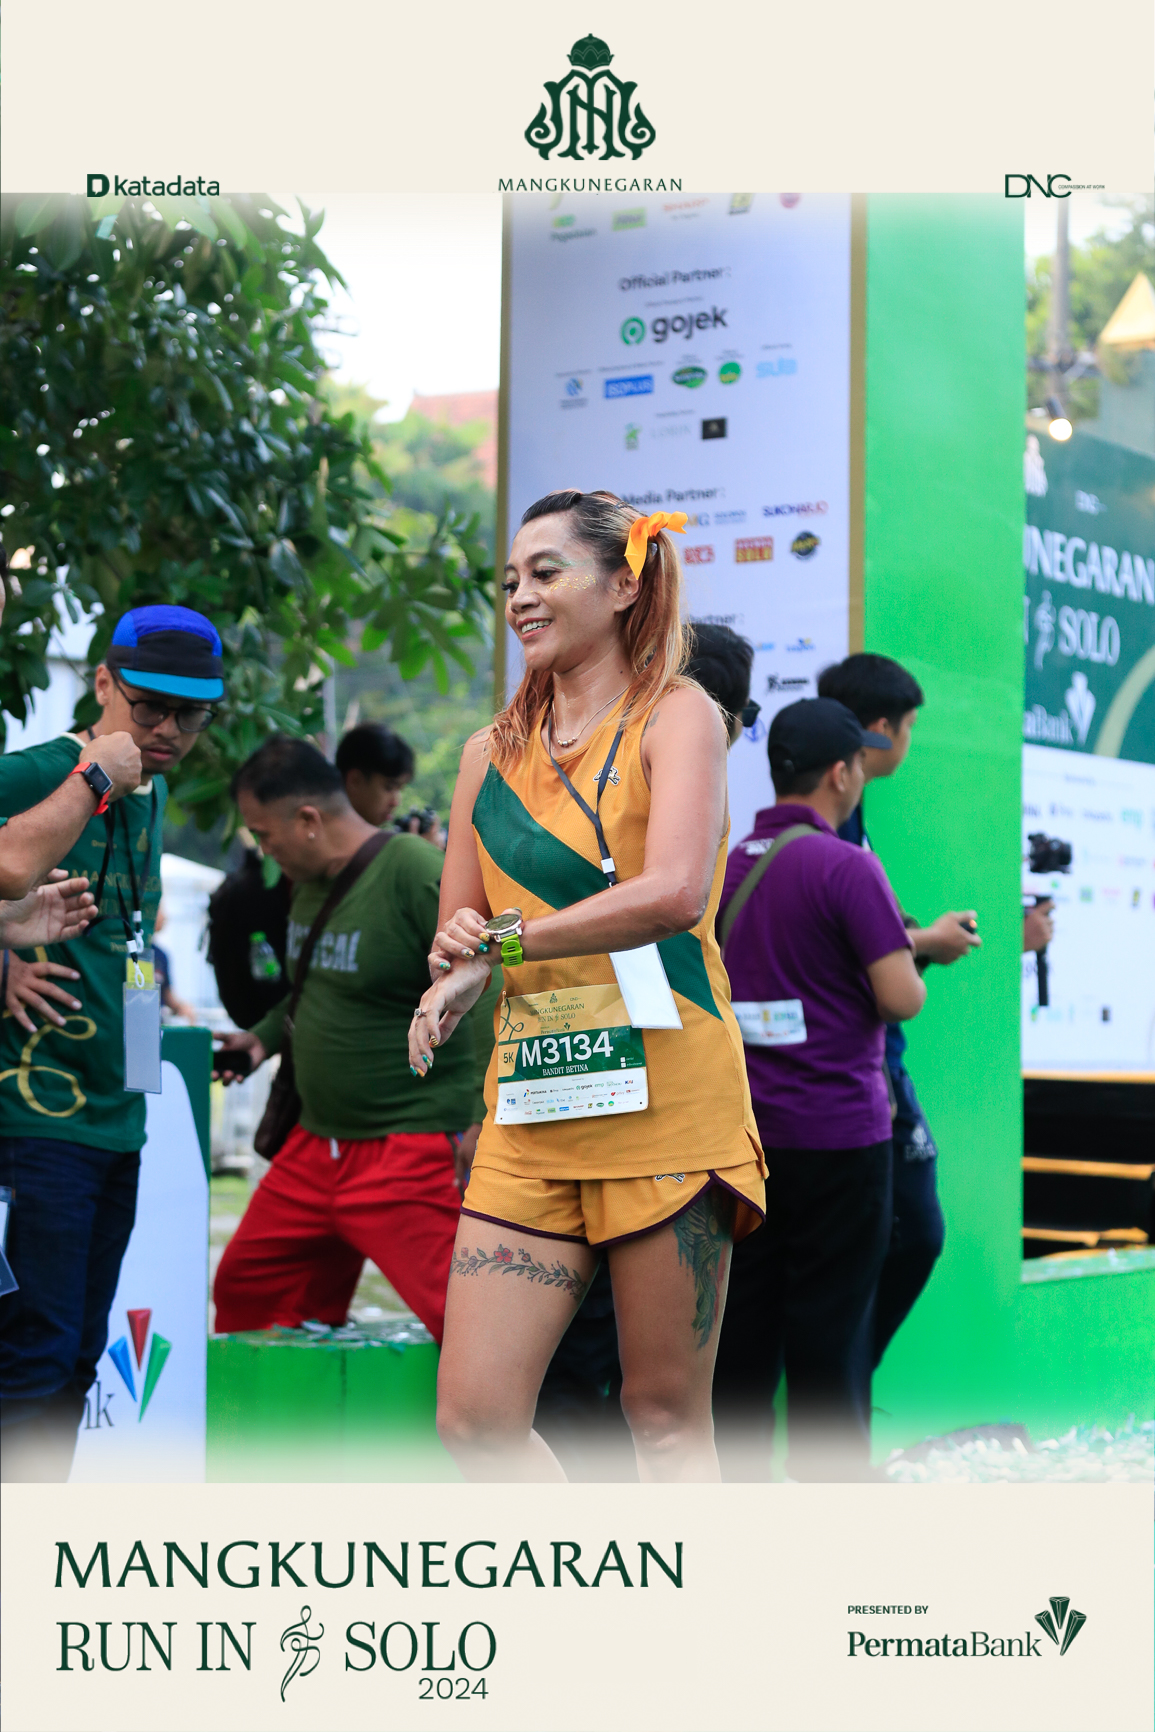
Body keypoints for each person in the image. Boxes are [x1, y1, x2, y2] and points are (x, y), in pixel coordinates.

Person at [407, 488, 766, 1484]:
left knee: (664, 1422)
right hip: (533, 1107)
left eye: (545, 572)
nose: (520, 596)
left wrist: (502, 946)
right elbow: (461, 927)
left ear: (621, 586)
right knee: (474, 1422)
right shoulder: (487, 754)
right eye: (510, 580)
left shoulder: (680, 714)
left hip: (668, 1103)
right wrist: (455, 971)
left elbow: (673, 892)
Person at [0, 603, 223, 1482]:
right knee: (34, 1358)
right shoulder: (42, 771)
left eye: (189, 715)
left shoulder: (153, 792)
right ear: (102, 683)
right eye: (148, 706)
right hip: (33, 1113)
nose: (166, 731)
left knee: (76, 1362)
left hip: (116, 1114)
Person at [532, 617, 759, 1479]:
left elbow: (671, 900)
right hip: (554, 1094)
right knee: (535, 1394)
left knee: (654, 1406)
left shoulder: (688, 792)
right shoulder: (546, 769)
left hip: (662, 1101)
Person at [711, 697, 926, 1481]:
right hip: (839, 1136)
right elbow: (901, 998)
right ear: (841, 773)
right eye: (860, 766)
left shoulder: (727, 863)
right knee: (830, 1329)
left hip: (746, 1139)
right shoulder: (845, 866)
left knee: (742, 1327)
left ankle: (735, 1492)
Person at [211, 736, 485, 1345]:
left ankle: (533, 1406)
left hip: (408, 1145)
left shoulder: (413, 870)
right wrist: (259, 1040)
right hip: (315, 1145)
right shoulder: (308, 882)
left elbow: (485, 987)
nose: (263, 850)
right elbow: (316, 986)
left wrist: (481, 1117)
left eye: (265, 834)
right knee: (249, 1288)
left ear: (308, 820)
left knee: (468, 1320)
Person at [816, 653, 981, 1370]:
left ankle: (845, 1388)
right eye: (908, 726)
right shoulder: (829, 830)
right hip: (862, 1067)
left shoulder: (850, 821)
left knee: (898, 1234)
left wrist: (909, 934)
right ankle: (840, 1389)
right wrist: (925, 942)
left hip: (860, 1064)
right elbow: (836, 939)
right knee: (909, 1230)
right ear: (879, 730)